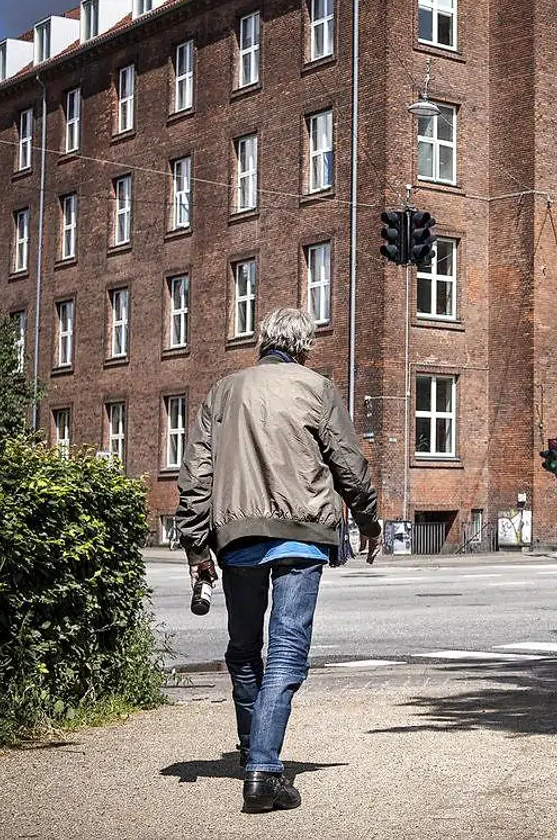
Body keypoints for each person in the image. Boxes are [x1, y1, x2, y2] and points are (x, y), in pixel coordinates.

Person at [176, 307, 380, 814]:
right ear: (304, 345)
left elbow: (196, 474)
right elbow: (348, 465)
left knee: (244, 651)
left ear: (261, 341)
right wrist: (370, 521)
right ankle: (264, 771)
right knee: (287, 652)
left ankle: (253, 752)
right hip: (303, 536)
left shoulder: (222, 392)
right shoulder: (317, 388)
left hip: (237, 537)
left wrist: (197, 547)